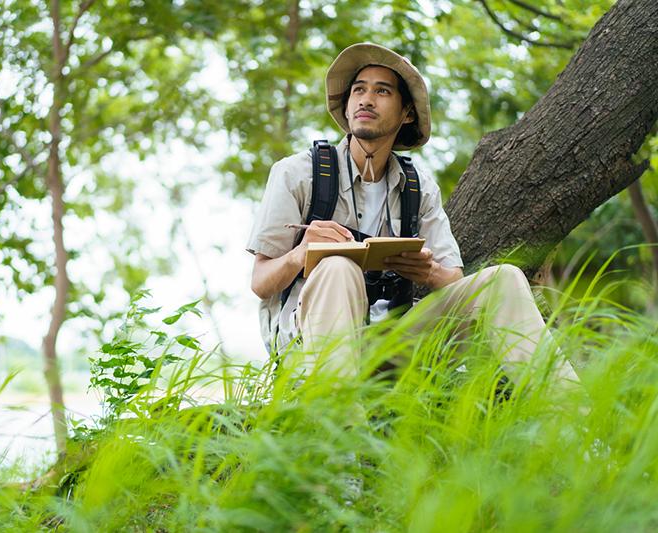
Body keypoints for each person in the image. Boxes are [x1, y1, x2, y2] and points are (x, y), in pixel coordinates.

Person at [246, 42, 579, 387]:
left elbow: (455, 280)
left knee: (503, 279)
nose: (366, 99)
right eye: (358, 90)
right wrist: (302, 253)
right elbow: (260, 282)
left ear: (406, 113)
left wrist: (429, 271)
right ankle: (339, 419)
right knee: (336, 266)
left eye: (382, 91)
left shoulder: (418, 188)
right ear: (346, 109)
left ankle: (578, 422)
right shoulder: (298, 173)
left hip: (395, 347)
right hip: (312, 348)